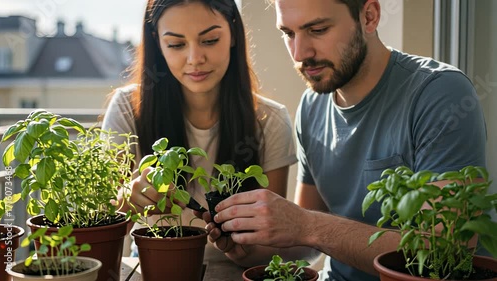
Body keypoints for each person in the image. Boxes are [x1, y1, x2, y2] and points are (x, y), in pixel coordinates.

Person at [200, 0, 487, 280]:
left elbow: (445, 251)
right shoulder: (312, 106)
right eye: (288, 33)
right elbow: (306, 243)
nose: (300, 52)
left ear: (369, 17)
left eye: (318, 29)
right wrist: (248, 249)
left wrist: (306, 224)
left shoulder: (440, 94)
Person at [101, 0, 297, 254]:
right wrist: (127, 198)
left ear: (234, 34)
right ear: (157, 43)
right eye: (176, 44)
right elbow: (102, 225)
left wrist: (240, 250)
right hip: (155, 265)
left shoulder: (271, 121)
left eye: (210, 40)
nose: (195, 59)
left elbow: (270, 248)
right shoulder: (128, 109)